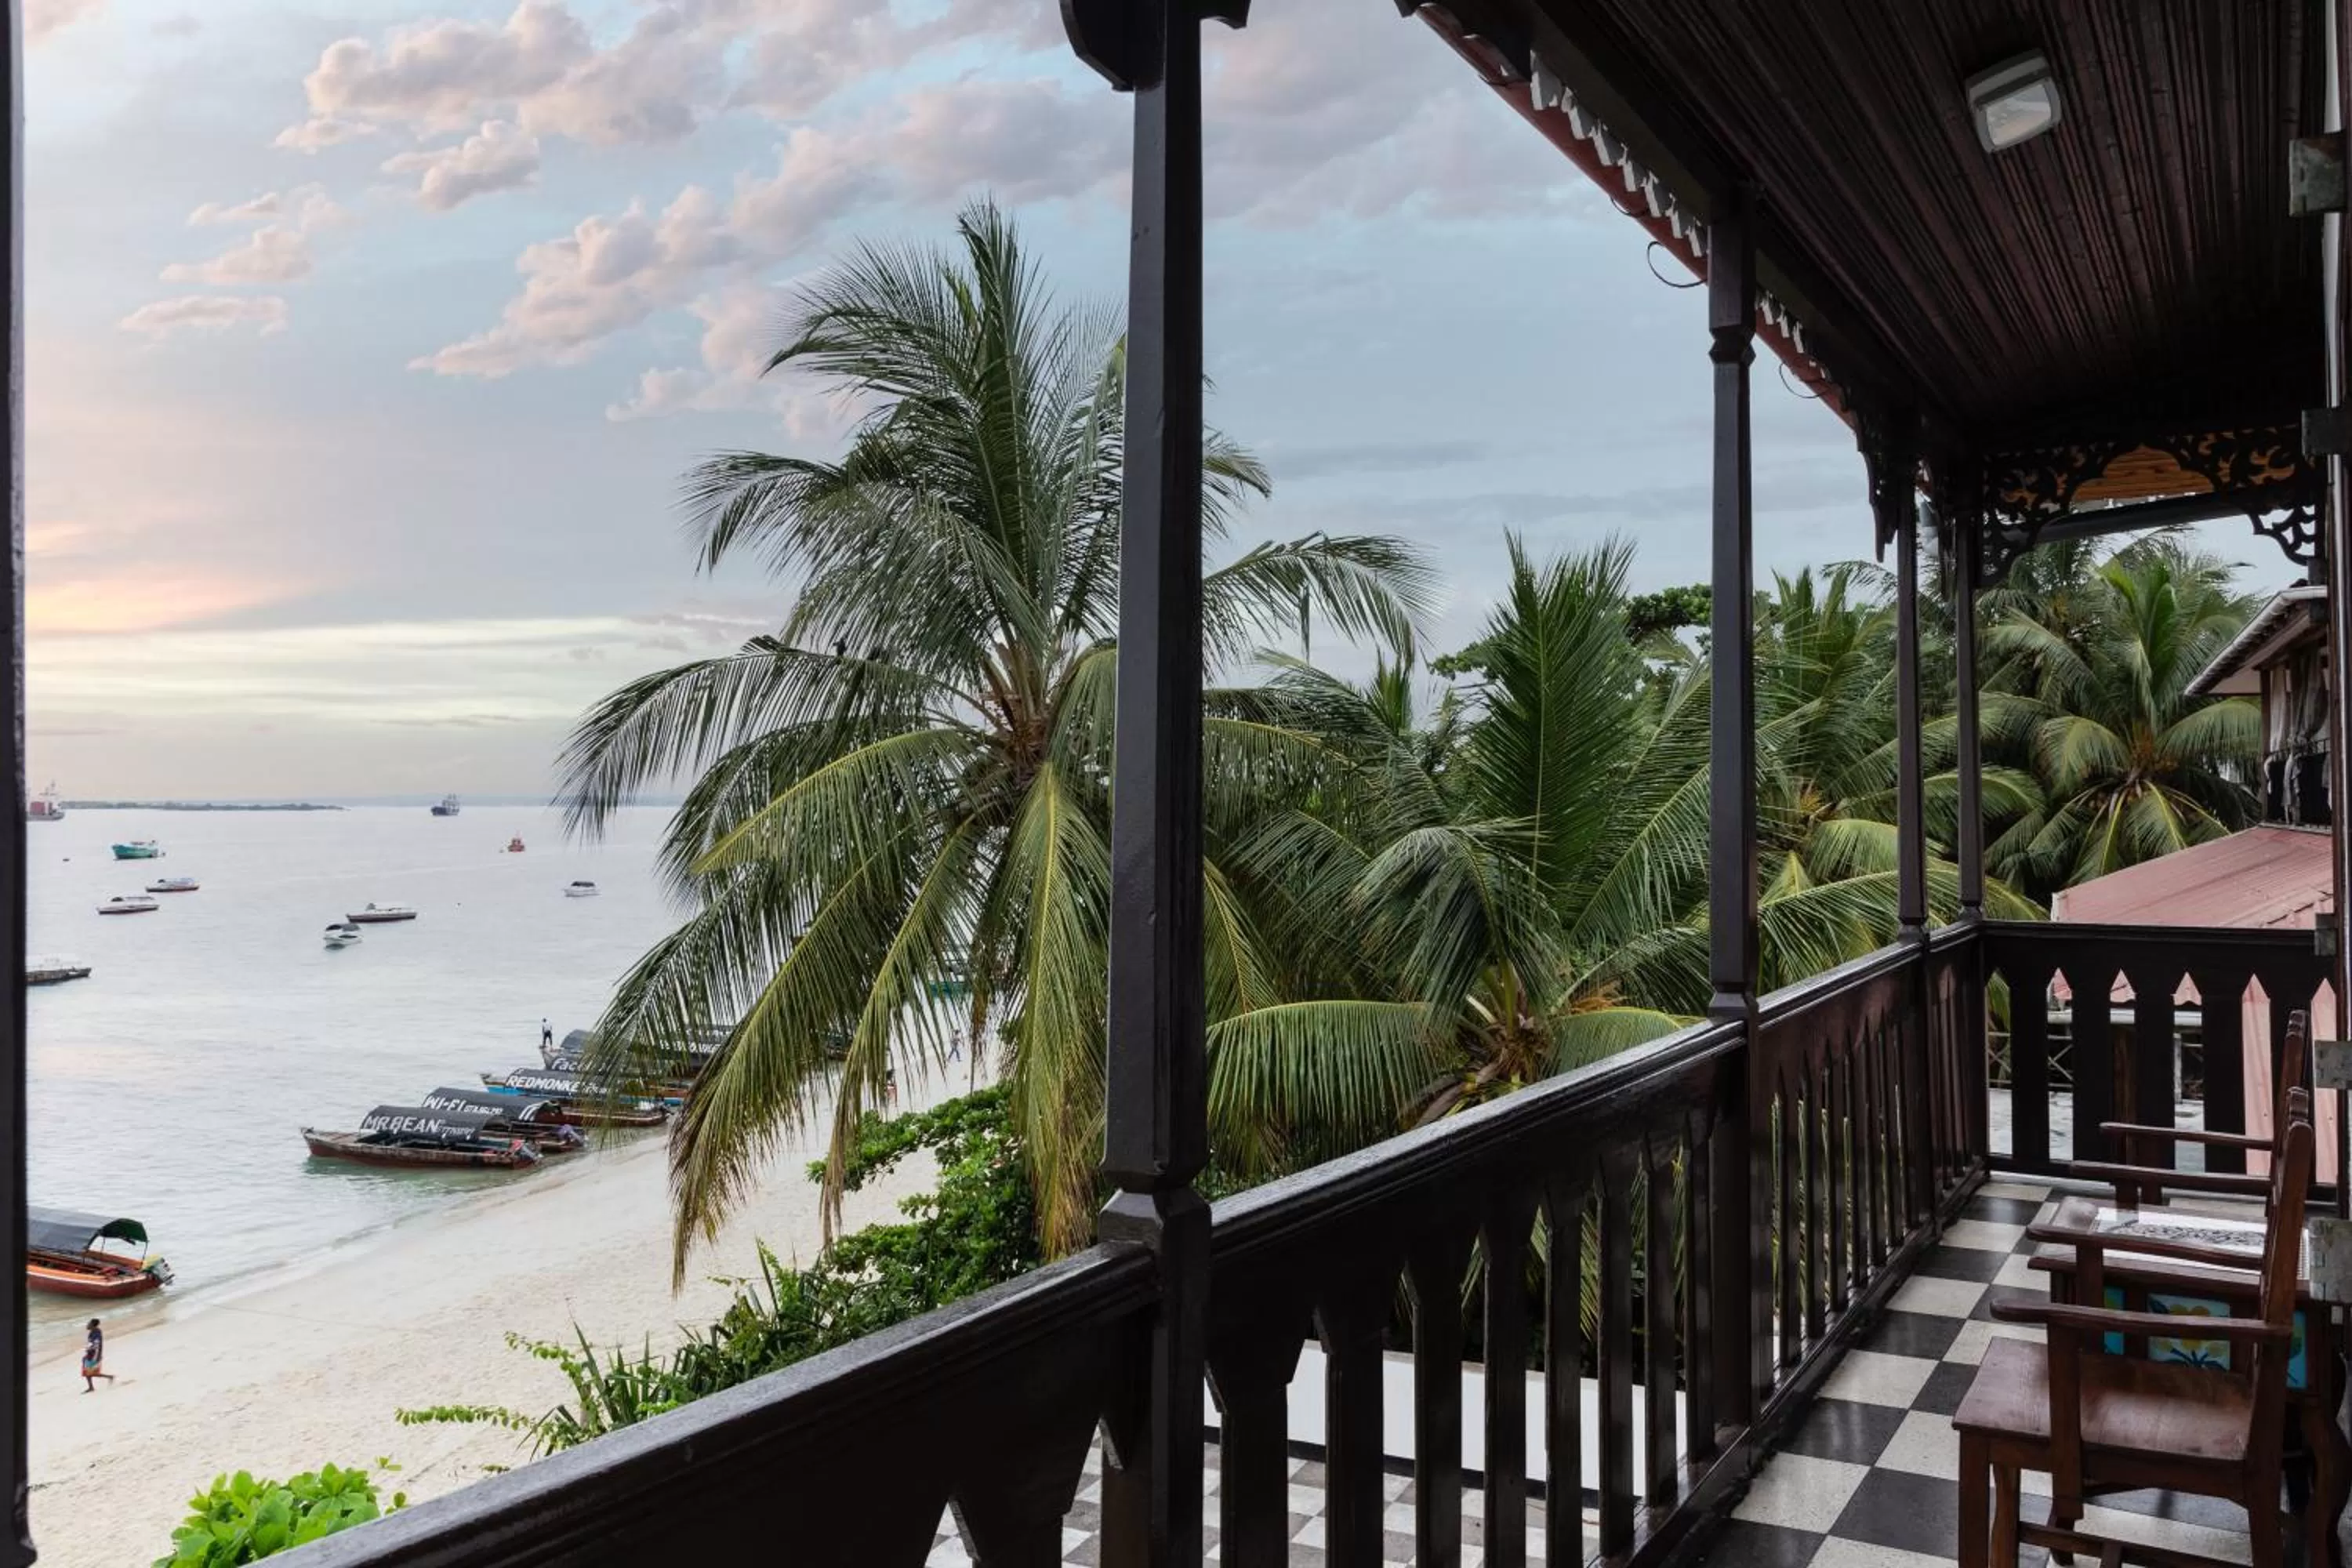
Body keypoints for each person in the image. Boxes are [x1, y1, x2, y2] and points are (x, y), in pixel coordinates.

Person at [80, 1319, 113, 1392]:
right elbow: (91, 1345)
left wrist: (96, 1356)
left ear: (92, 1325)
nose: (87, 1325)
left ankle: (109, 1377)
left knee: (89, 1372)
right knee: (88, 1372)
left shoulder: (96, 1333)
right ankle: (108, 1378)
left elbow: (96, 1345)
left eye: (89, 1323)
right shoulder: (94, 1331)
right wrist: (87, 1354)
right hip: (91, 1354)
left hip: (94, 1355)